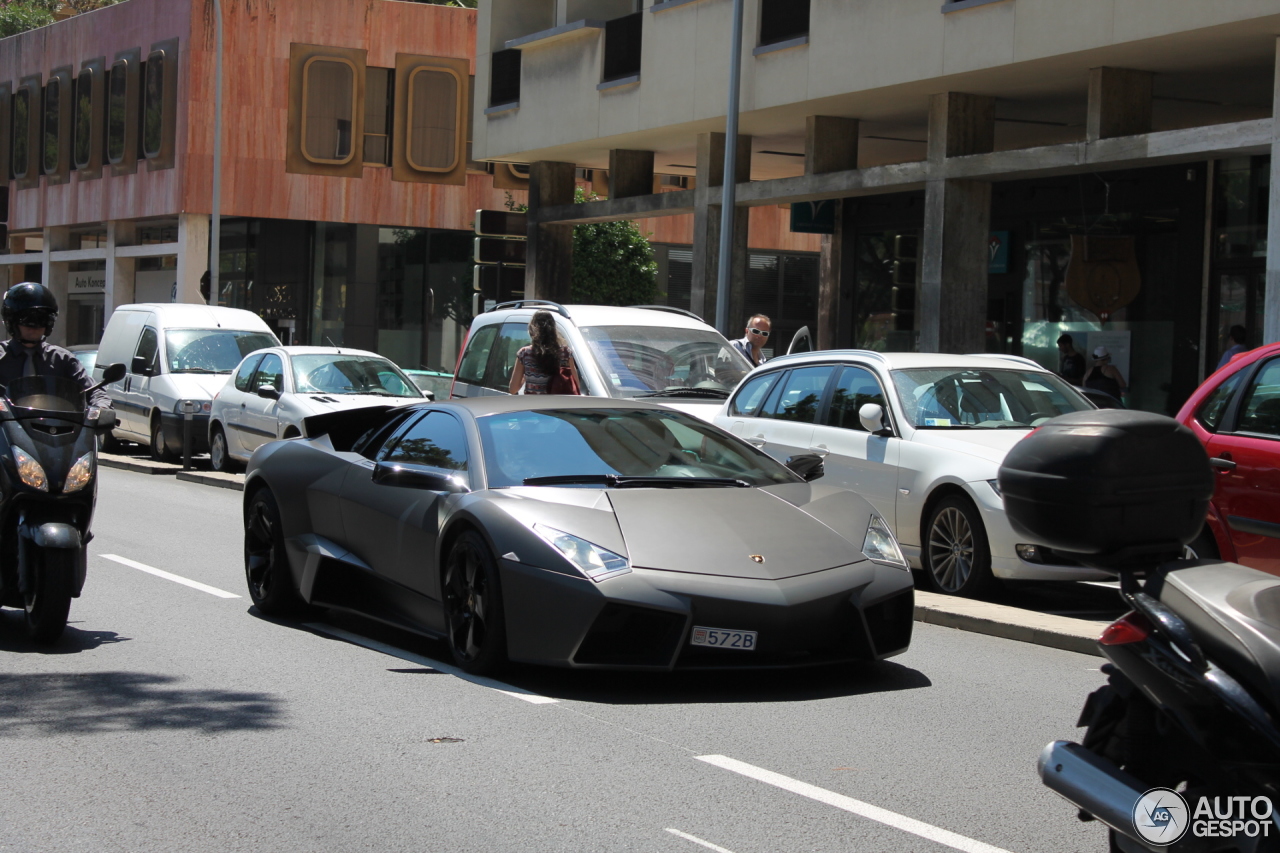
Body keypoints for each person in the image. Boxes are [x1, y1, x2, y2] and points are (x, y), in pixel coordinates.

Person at [0, 282, 111, 409]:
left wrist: (103, 409)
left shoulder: (63, 359)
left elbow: (93, 390)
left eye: (42, 320)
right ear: (11, 321)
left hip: (55, 426)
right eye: (28, 320)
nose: (35, 327)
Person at [509, 310, 579, 395]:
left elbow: (513, 389)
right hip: (558, 405)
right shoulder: (565, 353)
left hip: (534, 406)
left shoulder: (524, 354)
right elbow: (576, 385)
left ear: (532, 329)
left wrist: (525, 377)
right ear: (553, 330)